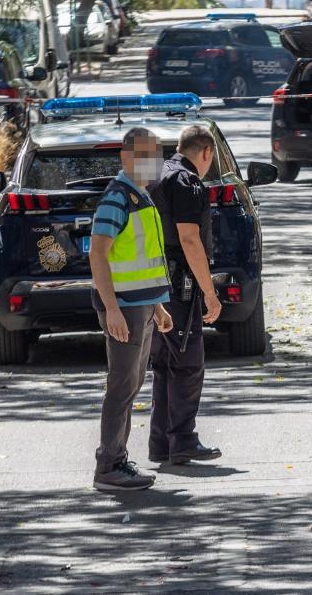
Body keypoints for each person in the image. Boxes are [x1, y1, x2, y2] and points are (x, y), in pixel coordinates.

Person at [88, 127, 173, 492]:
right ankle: (109, 464)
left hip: (141, 307)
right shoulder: (117, 198)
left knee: (131, 383)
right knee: (122, 386)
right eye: (144, 155)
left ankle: (116, 459)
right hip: (124, 308)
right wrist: (112, 309)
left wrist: (157, 305)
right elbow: (98, 254)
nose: (151, 163)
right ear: (125, 157)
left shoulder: (140, 197)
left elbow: (145, 260)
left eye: (155, 155)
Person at [148, 124, 223, 466]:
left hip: (155, 283)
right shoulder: (186, 181)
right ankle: (183, 440)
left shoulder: (157, 174)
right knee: (188, 362)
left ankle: (161, 442)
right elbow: (189, 239)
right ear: (205, 151)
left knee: (165, 363)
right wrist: (210, 292)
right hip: (179, 285)